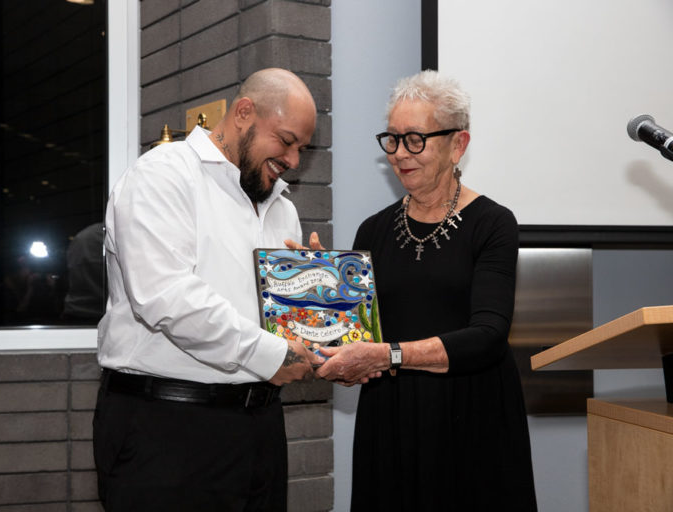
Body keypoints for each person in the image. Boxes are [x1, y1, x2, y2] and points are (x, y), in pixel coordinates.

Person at [92, 68, 324, 511]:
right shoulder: (163, 175)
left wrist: (320, 303)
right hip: (166, 430)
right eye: (287, 140)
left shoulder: (282, 209)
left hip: (259, 427)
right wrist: (274, 356)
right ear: (243, 113)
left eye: (302, 149)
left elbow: (277, 328)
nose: (294, 160)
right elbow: (166, 296)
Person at [316, 70, 538, 511]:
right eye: (393, 140)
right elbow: (358, 340)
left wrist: (389, 355)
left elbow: (489, 336)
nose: (400, 153)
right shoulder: (373, 230)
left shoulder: (493, 224)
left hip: (471, 418)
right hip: (391, 419)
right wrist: (316, 295)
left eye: (415, 139)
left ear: (458, 144)